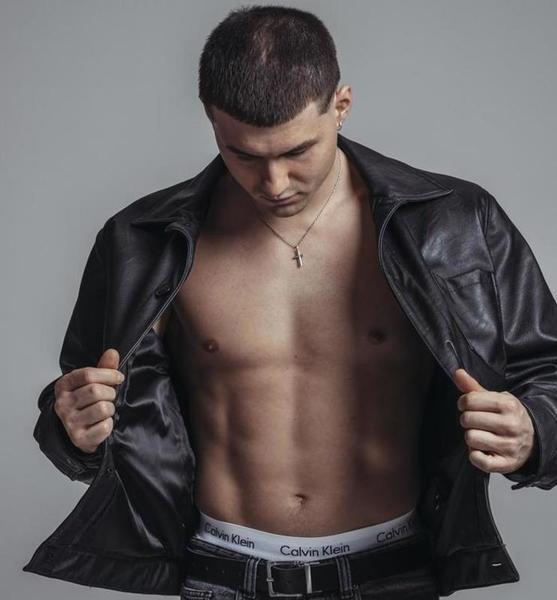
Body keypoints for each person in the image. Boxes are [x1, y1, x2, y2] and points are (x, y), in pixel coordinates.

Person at [22, 5, 557, 600]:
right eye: (245, 156)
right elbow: (77, 401)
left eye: (297, 151)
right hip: (223, 573)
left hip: (394, 570)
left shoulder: (455, 224)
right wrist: (74, 429)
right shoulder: (142, 241)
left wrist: (534, 430)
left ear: (341, 106)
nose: (274, 183)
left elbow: (548, 375)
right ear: (211, 120)